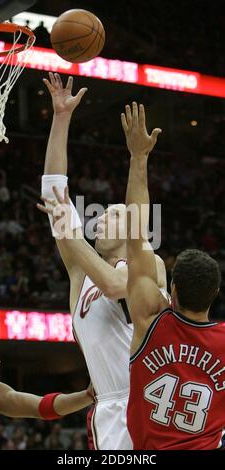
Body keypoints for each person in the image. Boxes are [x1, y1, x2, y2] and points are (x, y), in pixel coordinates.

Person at [38, 73, 167, 450]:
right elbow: (54, 190)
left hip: (154, 398)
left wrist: (137, 159)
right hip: (109, 409)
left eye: (111, 214)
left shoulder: (151, 266)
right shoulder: (80, 272)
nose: (100, 219)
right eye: (100, 215)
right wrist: (61, 118)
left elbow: (114, 285)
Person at [121, 102, 225, 450]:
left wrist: (138, 158)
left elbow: (135, 236)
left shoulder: (150, 316)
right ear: (216, 292)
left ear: (172, 288)